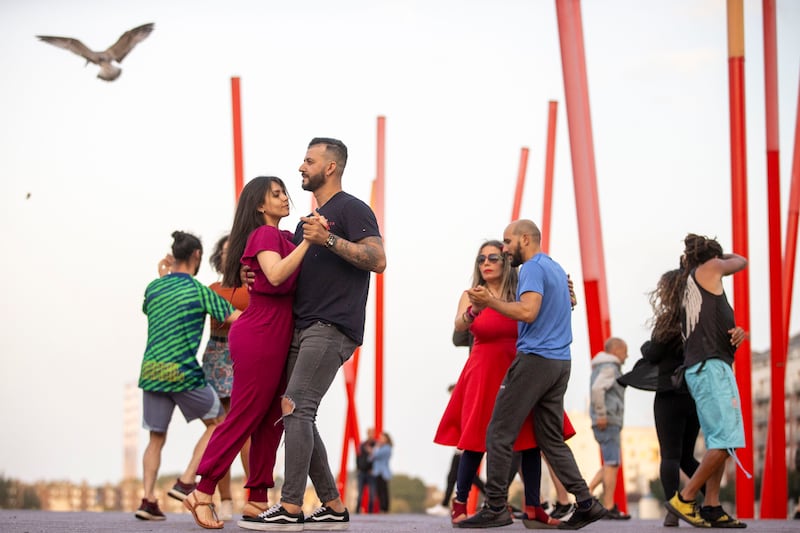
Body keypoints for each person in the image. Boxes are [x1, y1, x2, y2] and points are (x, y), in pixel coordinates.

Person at [241, 137, 386, 531]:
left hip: (331, 327)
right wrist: (249, 274)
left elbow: (378, 259)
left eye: (309, 161)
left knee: (296, 407)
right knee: (299, 412)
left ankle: (290, 507)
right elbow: (281, 269)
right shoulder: (309, 220)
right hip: (303, 327)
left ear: (330, 168)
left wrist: (331, 240)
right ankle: (333, 505)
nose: (301, 167)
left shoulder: (351, 209)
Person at [181, 176, 315, 530]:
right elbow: (274, 275)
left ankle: (257, 497)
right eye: (276, 194)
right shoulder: (266, 235)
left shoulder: (284, 237)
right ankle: (203, 491)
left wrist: (308, 240)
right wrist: (308, 245)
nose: (285, 197)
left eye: (285, 191)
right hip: (260, 332)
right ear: (259, 205)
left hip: (275, 333)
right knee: (244, 415)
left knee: (271, 419)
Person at [458, 219, 606, 530]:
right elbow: (561, 307)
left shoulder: (533, 269)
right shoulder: (554, 267)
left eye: (507, 242)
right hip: (559, 363)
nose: (504, 248)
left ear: (525, 239)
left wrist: (490, 302)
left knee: (498, 432)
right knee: (550, 439)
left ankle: (496, 506)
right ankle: (586, 502)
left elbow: (528, 312)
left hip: (535, 360)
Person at [434, 239, 572, 528]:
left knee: (530, 438)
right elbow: (459, 326)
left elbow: (545, 314)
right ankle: (459, 502)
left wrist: (567, 298)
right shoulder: (472, 294)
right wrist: (474, 309)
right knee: (475, 438)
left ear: (506, 262)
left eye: (493, 257)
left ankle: (534, 507)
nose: (486, 263)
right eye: (481, 258)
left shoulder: (522, 293)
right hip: (482, 371)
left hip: (519, 368)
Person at [134, 231, 241, 522]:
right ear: (195, 256)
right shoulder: (198, 291)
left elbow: (148, 309)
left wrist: (161, 276)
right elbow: (235, 318)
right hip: (182, 371)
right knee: (219, 422)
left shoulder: (154, 288)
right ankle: (187, 480)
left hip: (151, 371)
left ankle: (148, 500)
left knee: (156, 438)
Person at [160, 235, 252, 522]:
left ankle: (256, 496)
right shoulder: (209, 289)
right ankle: (223, 499)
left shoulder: (255, 287)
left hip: (244, 356)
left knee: (246, 430)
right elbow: (182, 297)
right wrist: (165, 276)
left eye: (232, 251)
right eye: (223, 251)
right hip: (216, 357)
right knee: (222, 429)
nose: (228, 255)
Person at [665, 233, 748, 528]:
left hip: (707, 367)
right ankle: (686, 498)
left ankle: (712, 506)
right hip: (711, 369)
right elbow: (742, 261)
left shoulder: (694, 281)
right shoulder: (709, 268)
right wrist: (722, 255)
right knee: (727, 438)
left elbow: (711, 328)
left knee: (719, 441)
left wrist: (739, 334)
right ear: (712, 257)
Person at [426, 383, 487, 518]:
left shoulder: (466, 402)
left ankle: (493, 498)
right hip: (460, 448)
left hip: (465, 448)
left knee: (468, 477)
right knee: (454, 477)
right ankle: (446, 504)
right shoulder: (461, 403)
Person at [587, 337, 631, 520]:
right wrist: (602, 414)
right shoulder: (609, 368)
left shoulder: (601, 367)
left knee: (609, 463)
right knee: (612, 464)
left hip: (607, 420)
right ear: (615, 350)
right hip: (608, 420)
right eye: (624, 351)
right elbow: (598, 390)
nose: (626, 356)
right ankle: (606, 505)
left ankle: (590, 496)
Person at [371, 432, 393, 513]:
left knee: (384, 491)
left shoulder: (387, 448)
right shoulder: (381, 447)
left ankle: (385, 508)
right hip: (377, 472)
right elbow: (370, 458)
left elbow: (375, 455)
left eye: (382, 438)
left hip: (383, 472)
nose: (380, 440)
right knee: (379, 491)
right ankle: (382, 508)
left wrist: (376, 447)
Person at [355, 428, 376, 514]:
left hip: (370, 473)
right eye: (369, 433)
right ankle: (357, 511)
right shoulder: (362, 445)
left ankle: (370, 512)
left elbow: (377, 458)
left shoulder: (376, 445)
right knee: (360, 494)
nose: (371, 434)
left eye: (372, 433)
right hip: (362, 472)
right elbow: (358, 457)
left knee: (372, 494)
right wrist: (358, 468)